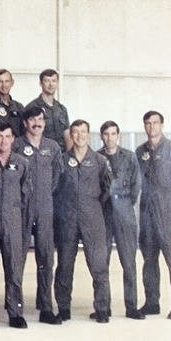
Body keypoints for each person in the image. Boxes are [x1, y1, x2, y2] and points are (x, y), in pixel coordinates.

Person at [52, 120, 113, 323]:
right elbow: (55, 188)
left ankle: (102, 309)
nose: (79, 136)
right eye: (75, 132)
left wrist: (92, 205)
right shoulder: (61, 160)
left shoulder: (99, 160)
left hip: (92, 217)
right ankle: (63, 308)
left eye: (83, 132)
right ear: (70, 135)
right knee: (65, 265)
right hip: (66, 219)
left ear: (89, 134)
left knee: (98, 264)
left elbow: (106, 188)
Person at [136, 110, 171, 319]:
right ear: (144, 126)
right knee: (149, 260)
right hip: (147, 213)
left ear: (162, 125)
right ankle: (152, 302)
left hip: (168, 213)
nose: (152, 127)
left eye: (155, 123)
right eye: (148, 123)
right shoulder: (140, 151)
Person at [13, 105, 64, 324]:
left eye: (40, 119)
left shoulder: (52, 147)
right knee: (17, 258)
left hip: (44, 207)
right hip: (21, 208)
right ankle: (15, 308)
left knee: (46, 257)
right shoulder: (15, 145)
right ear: (25, 123)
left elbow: (58, 177)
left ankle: (45, 307)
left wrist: (44, 197)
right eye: (32, 119)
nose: (37, 123)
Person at [0, 123, 32, 328]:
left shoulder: (22, 163)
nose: (3, 140)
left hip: (13, 221)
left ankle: (15, 312)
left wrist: (24, 223)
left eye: (7, 136)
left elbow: (27, 195)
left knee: (14, 269)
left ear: (13, 139)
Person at [98, 121, 145, 319]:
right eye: (106, 134)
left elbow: (136, 186)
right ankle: (103, 307)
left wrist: (124, 204)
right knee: (102, 262)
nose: (110, 138)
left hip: (124, 212)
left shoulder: (130, 157)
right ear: (101, 137)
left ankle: (131, 306)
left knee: (128, 262)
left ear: (118, 135)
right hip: (104, 213)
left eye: (113, 134)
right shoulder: (97, 157)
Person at [25, 69, 71, 151]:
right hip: (41, 155)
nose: (51, 85)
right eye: (47, 81)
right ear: (41, 83)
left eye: (54, 81)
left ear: (57, 84)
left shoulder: (62, 109)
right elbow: (26, 135)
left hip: (61, 155)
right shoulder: (32, 107)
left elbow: (67, 135)